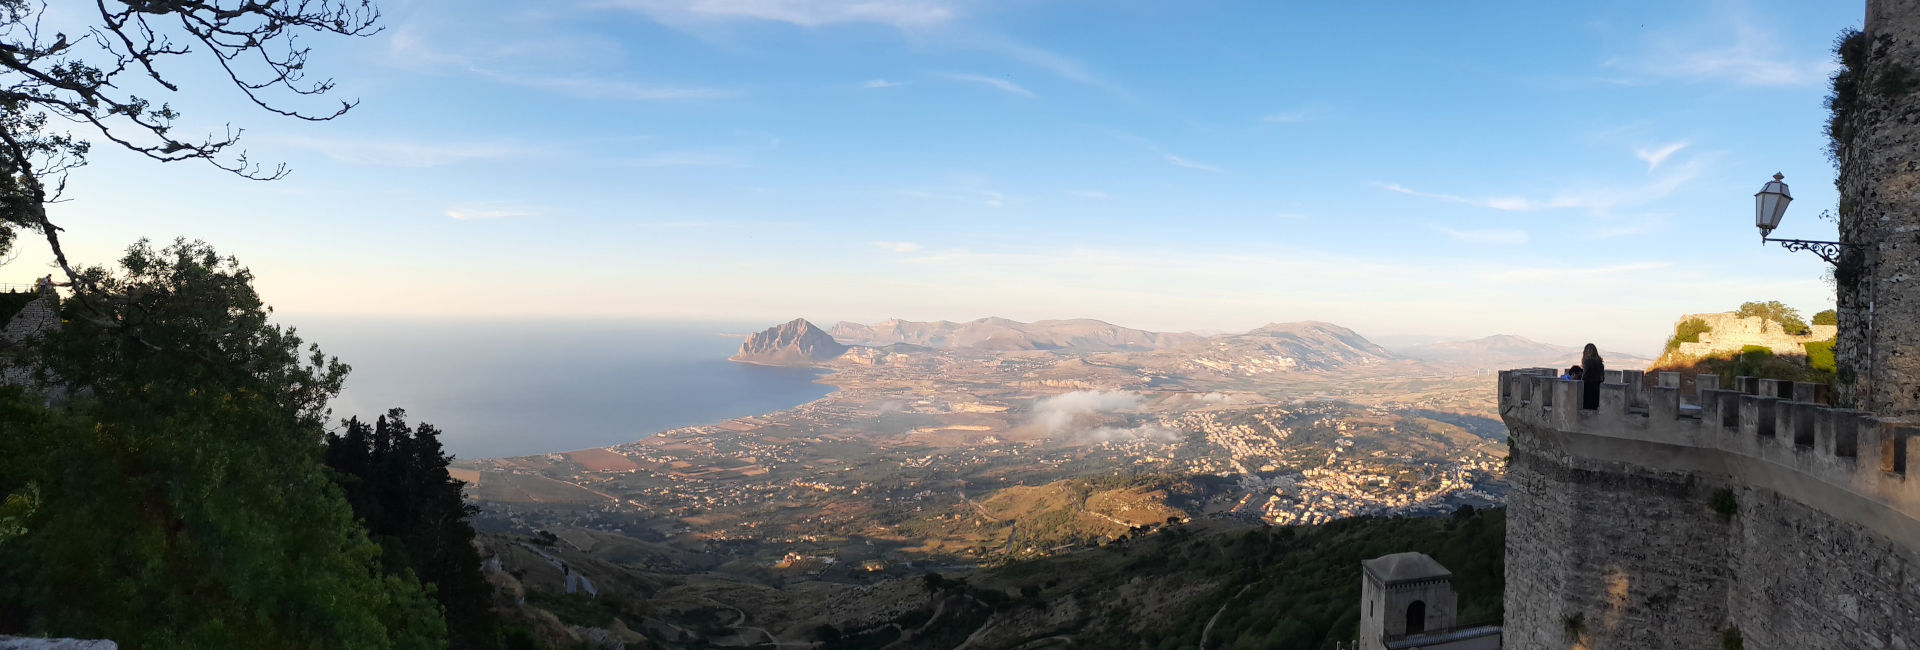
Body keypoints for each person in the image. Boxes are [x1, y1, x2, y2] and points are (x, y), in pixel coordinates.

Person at [1581, 343, 1605, 409]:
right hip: (1597, 388)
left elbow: (1584, 376)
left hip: (1587, 389)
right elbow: (1602, 377)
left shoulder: (1588, 362)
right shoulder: (1600, 363)